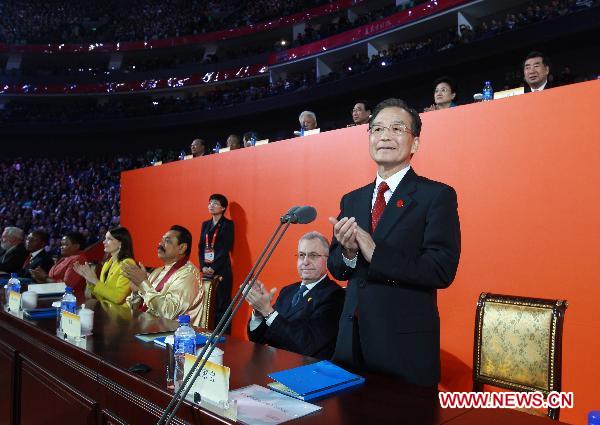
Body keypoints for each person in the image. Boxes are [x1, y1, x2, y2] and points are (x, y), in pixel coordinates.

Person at [328, 98, 461, 387]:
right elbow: (337, 267)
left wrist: (376, 253)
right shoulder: (353, 199)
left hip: (403, 349)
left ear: (415, 144)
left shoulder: (436, 196)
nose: (385, 136)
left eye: (397, 128)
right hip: (351, 344)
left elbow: (441, 269)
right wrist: (349, 253)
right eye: (377, 129)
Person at [245, 231, 345, 359]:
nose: (305, 261)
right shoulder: (288, 291)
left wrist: (267, 311)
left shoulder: (335, 295)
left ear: (328, 259)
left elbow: (307, 345)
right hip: (273, 365)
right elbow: (257, 338)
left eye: (313, 255)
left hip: (305, 372)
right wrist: (259, 312)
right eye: (301, 255)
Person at [123, 225, 204, 325]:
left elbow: (169, 313)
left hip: (173, 335)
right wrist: (136, 292)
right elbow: (137, 309)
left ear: (182, 248)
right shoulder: (158, 271)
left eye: (167, 241)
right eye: (161, 240)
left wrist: (143, 284)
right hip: (147, 328)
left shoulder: (188, 275)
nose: (160, 243)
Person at [73, 227, 135, 305]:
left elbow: (118, 298)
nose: (104, 242)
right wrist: (89, 281)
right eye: (105, 238)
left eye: (109, 239)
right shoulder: (107, 263)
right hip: (106, 310)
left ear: (121, 243)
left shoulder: (128, 263)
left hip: (121, 313)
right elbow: (101, 296)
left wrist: (94, 280)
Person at [199, 194, 234, 330]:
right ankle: (208, 332)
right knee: (208, 304)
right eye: (210, 203)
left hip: (222, 270)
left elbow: (226, 247)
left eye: (215, 203)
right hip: (206, 270)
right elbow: (201, 247)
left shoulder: (228, 225)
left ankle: (223, 335)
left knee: (222, 305)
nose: (211, 205)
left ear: (223, 207)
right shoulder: (205, 225)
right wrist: (203, 266)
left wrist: (213, 267)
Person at [31, 232, 87, 296]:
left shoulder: (78, 260)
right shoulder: (64, 258)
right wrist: (39, 277)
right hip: (53, 294)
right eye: (61, 244)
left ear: (76, 246)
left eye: (65, 244)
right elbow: (51, 283)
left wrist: (45, 277)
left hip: (69, 300)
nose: (61, 247)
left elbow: (66, 286)